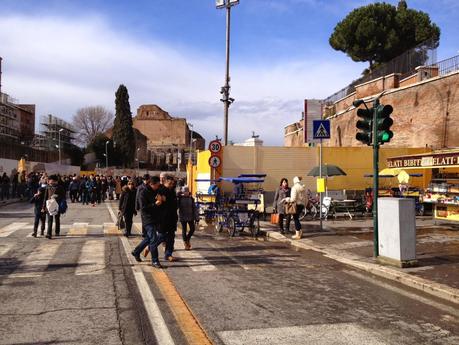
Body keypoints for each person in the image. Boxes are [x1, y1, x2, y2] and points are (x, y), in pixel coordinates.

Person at [131, 176, 166, 268]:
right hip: (147, 219)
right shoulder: (143, 193)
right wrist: (155, 204)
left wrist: (163, 199)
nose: (158, 187)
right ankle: (155, 261)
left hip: (156, 217)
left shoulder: (157, 190)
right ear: (151, 184)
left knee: (151, 237)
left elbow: (162, 196)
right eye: (157, 185)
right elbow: (143, 208)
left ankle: (136, 251)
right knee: (153, 239)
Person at [42, 175, 65, 239]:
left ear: (55, 181)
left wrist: (57, 196)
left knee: (57, 219)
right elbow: (45, 197)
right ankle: (49, 233)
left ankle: (57, 231)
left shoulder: (60, 187)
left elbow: (63, 196)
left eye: (50, 180)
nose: (49, 181)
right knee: (50, 219)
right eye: (49, 181)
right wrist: (43, 207)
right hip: (49, 206)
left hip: (57, 205)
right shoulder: (47, 187)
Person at [162, 175, 178, 262]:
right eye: (170, 183)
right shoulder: (162, 191)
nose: (172, 184)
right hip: (164, 218)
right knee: (161, 237)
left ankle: (168, 254)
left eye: (173, 183)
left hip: (172, 218)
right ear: (165, 181)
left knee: (171, 238)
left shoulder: (172, 191)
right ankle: (149, 247)